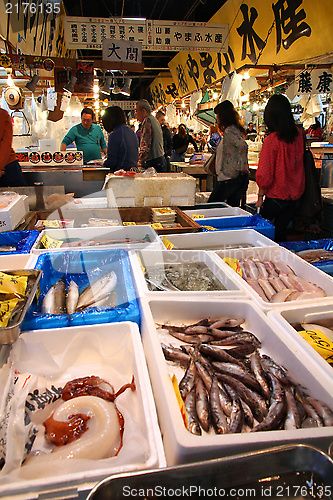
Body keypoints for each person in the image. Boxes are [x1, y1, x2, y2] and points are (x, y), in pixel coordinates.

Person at [255, 94, 305, 242]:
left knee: (262, 234)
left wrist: (260, 197)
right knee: (281, 233)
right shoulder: (299, 135)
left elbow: (265, 174)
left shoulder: (272, 140)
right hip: (295, 197)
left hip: (276, 196)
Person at [208, 100, 249, 207]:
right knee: (229, 209)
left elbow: (243, 146)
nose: (217, 119)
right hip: (228, 178)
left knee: (210, 208)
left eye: (217, 116)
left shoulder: (230, 131)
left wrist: (242, 168)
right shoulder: (231, 131)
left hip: (227, 179)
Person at [101, 106, 138, 172]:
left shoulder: (115, 134)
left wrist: (102, 163)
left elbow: (112, 162)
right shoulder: (131, 131)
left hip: (121, 175)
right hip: (133, 172)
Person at [135, 99, 166, 172]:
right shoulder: (154, 120)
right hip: (160, 160)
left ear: (143, 111)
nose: (135, 114)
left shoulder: (147, 121)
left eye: (136, 111)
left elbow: (145, 146)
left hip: (154, 163)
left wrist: (138, 160)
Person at [0, 108, 26, 186]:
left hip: (7, 168)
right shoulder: (3, 114)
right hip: (7, 166)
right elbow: (5, 144)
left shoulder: (3, 115)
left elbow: (5, 145)